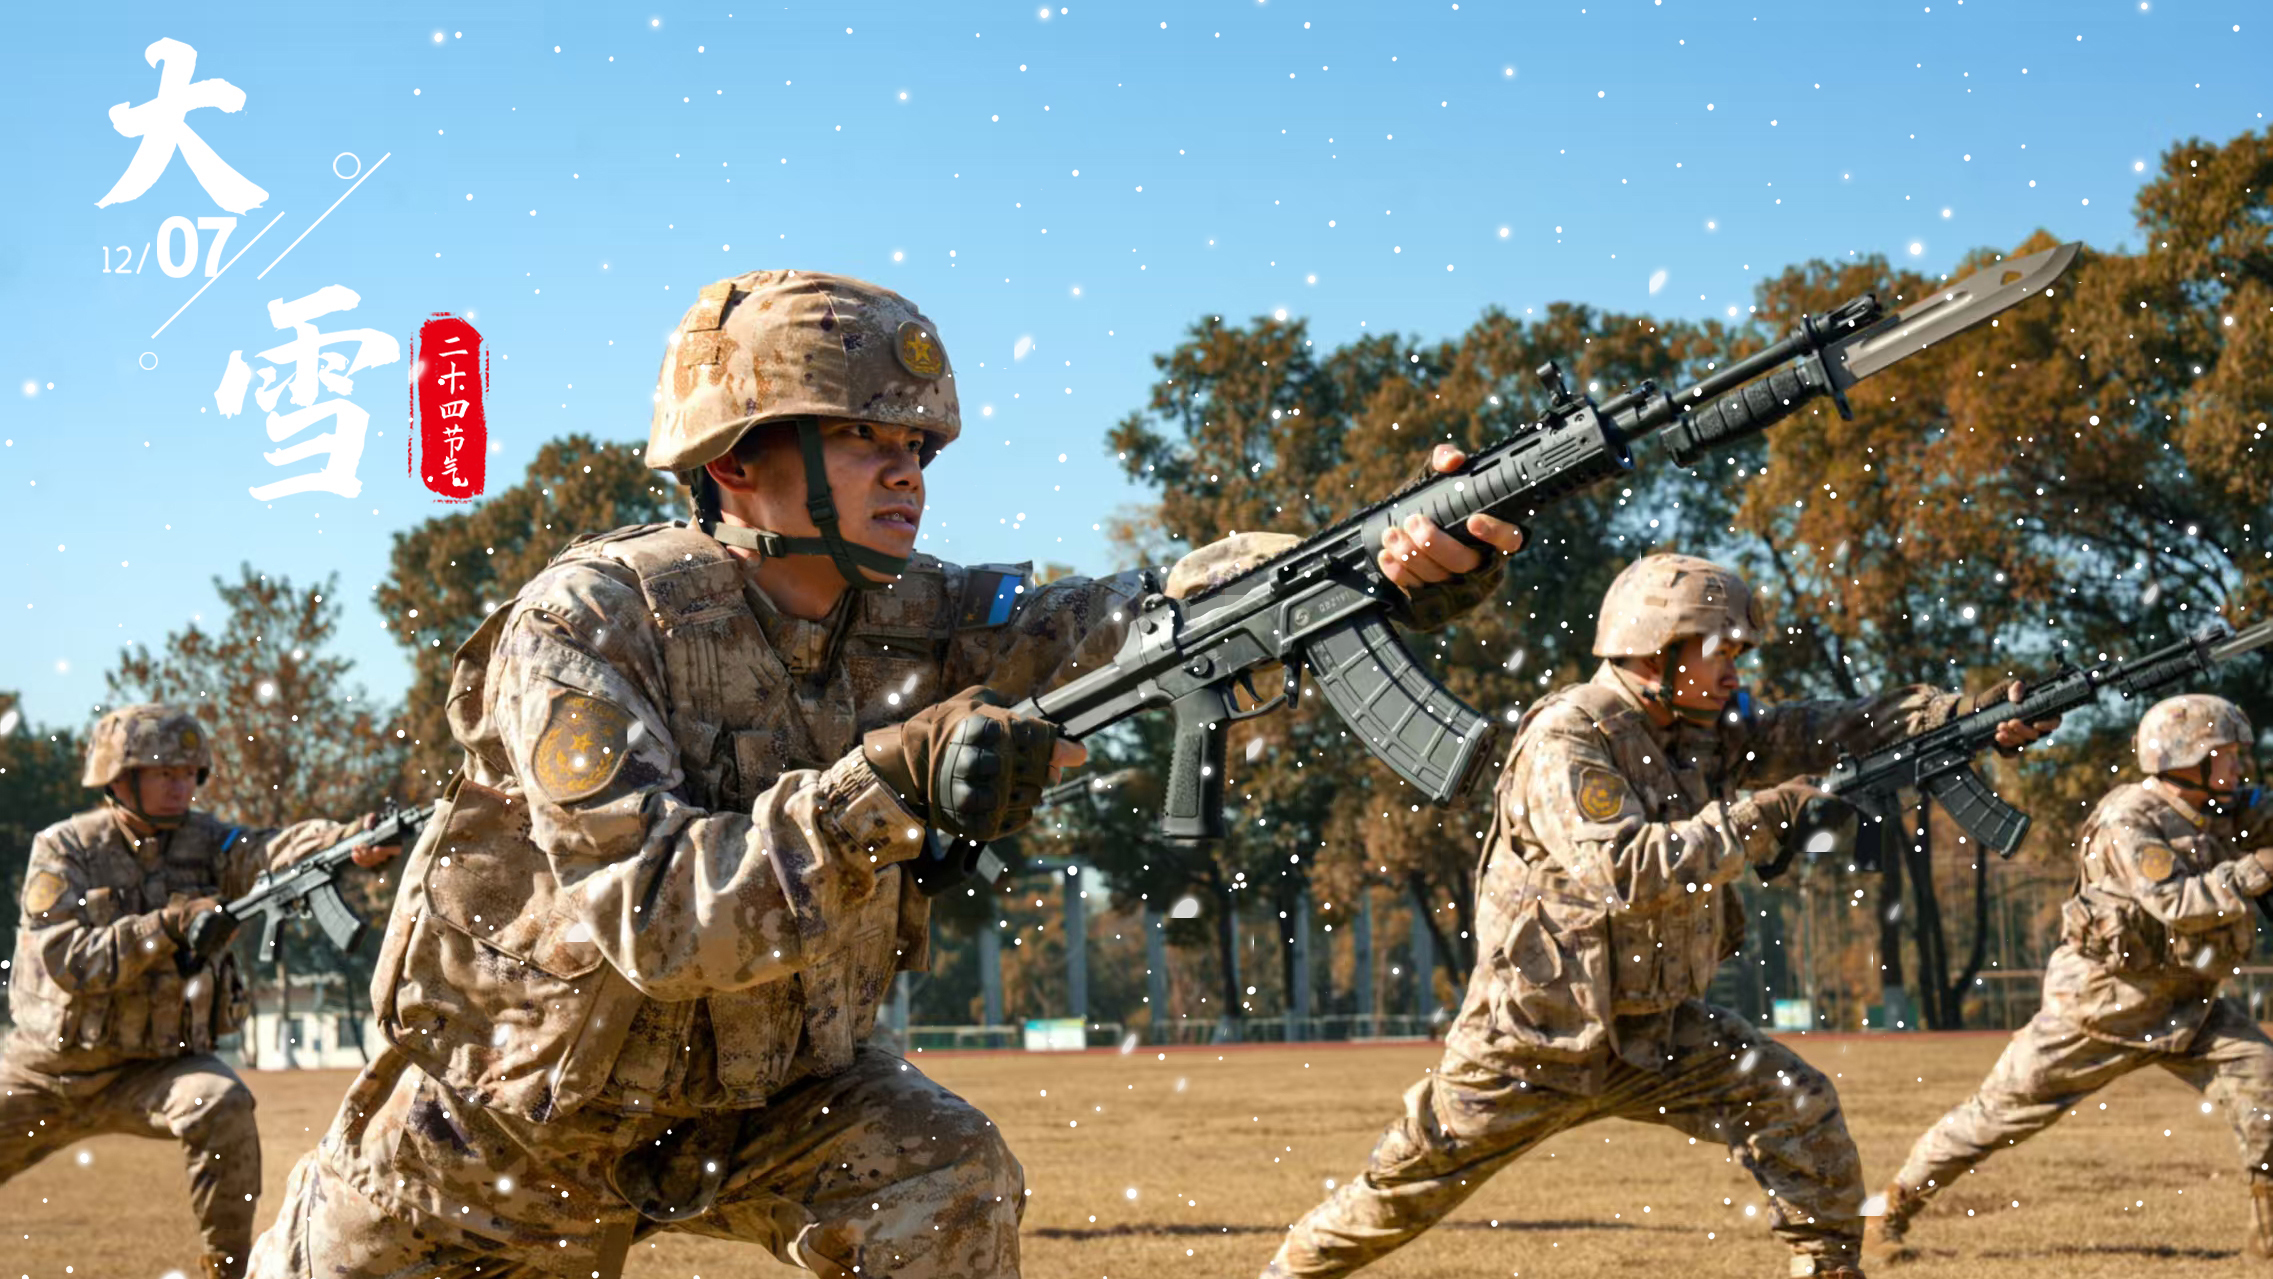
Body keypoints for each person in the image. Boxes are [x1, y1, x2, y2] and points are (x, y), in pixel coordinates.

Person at [248, 268, 1523, 1279]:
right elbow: (653, 918)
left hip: (765, 1098)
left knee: (942, 1174)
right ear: (735, 461)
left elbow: (1147, 616)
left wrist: (1363, 567)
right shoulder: (589, 621)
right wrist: (887, 788)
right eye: (860, 436)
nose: (905, 467)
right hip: (504, 1128)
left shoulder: (938, 614)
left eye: (916, 442)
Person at [1262, 552, 2059, 1279]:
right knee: (1394, 1197)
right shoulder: (1569, 734)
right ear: (1656, 648)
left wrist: (1962, 719)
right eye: (1720, 650)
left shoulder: (1700, 731)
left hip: (1651, 1031)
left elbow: (1828, 728)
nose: (1733, 668)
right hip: (1530, 1042)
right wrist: (1768, 815)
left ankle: (1827, 1269)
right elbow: (1623, 869)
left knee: (1794, 1102)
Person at [0, 704, 399, 1279]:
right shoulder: (67, 850)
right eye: (166, 773)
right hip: (47, 1071)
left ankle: (226, 1272)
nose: (181, 785)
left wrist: (349, 841)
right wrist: (167, 925)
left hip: (157, 1071)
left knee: (222, 1102)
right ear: (120, 777)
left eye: (190, 773)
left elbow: (268, 851)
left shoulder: (210, 842)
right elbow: (68, 961)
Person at [1873, 693, 2273, 1262]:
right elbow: (2180, 904)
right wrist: (2258, 868)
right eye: (2228, 755)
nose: (2240, 768)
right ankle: (1887, 1212)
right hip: (2099, 1006)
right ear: (2188, 761)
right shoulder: (2129, 819)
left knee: (2265, 1087)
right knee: (1994, 1116)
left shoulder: (2219, 807)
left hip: (2188, 1005)